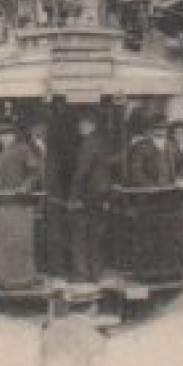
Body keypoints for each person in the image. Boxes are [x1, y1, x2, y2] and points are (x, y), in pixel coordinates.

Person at [68, 115, 113, 281]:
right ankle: (96, 273)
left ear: (90, 124)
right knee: (96, 234)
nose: (79, 127)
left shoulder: (88, 143)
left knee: (80, 233)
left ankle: (82, 273)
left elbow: (81, 171)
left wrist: (73, 197)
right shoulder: (101, 141)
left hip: (89, 194)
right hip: (101, 193)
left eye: (81, 123)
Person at [0, 120, 42, 193]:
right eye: (1, 135)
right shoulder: (1, 153)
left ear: (14, 135)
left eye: (7, 135)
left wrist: (25, 187)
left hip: (20, 196)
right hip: (3, 194)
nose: (4, 138)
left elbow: (35, 172)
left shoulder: (24, 149)